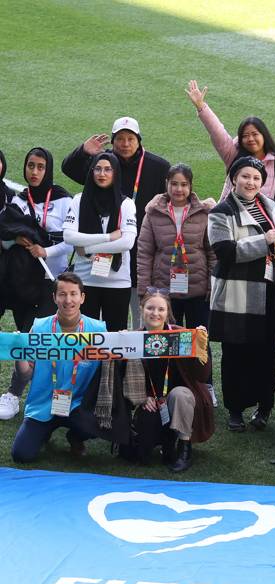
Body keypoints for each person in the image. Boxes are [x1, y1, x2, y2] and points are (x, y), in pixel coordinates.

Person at [208, 156, 275, 431]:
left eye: (256, 178)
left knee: (267, 354)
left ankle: (264, 408)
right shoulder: (221, 212)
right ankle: (235, 410)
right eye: (245, 176)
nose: (251, 182)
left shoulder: (274, 209)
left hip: (269, 294)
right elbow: (225, 252)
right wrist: (263, 241)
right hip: (237, 295)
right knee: (235, 355)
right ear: (234, 179)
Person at [61, 116, 170, 327]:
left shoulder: (158, 166)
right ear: (112, 141)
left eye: (131, 138)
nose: (125, 144)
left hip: (142, 247)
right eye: (120, 138)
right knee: (95, 324)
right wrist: (83, 151)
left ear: (139, 141)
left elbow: (175, 194)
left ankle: (139, 358)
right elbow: (68, 168)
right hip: (97, 257)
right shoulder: (102, 163)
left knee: (142, 312)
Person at [0, 148, 73, 421]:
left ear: (49, 169)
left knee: (55, 341)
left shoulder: (64, 199)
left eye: (41, 167)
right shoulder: (18, 201)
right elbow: (4, 236)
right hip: (26, 282)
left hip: (58, 282)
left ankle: (58, 395)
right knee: (26, 338)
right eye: (31, 165)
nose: (34, 172)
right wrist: (15, 240)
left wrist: (46, 252)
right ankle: (13, 394)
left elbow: (72, 239)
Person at [136, 163, 216, 402]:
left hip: (197, 289)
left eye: (183, 184)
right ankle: (165, 386)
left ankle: (206, 386)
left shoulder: (203, 212)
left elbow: (211, 252)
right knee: (165, 341)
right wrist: (144, 290)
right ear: (166, 185)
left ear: (190, 187)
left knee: (200, 340)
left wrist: (212, 286)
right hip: (164, 292)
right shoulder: (153, 212)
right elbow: (144, 253)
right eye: (174, 184)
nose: (178, 189)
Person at [11, 272, 105, 463]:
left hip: (79, 404)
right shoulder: (38, 328)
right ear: (54, 298)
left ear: (82, 297)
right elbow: (25, 373)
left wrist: (122, 340)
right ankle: (43, 431)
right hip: (44, 403)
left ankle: (76, 437)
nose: (68, 300)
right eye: (62, 294)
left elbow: (110, 370)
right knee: (21, 454)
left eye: (73, 294)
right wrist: (19, 353)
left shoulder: (98, 329)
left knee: (99, 425)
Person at [125, 289, 214, 472]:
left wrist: (201, 347)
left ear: (168, 313)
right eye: (150, 308)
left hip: (177, 398)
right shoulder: (133, 338)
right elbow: (122, 378)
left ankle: (184, 447)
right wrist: (142, 397)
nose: (155, 313)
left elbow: (202, 376)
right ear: (141, 309)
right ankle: (163, 441)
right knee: (143, 455)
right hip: (150, 401)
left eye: (161, 309)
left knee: (180, 394)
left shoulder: (182, 336)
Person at [62, 153, 137, 330]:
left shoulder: (126, 204)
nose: (102, 174)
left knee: (116, 339)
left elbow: (127, 242)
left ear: (116, 173)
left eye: (107, 169)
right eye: (98, 169)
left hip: (118, 282)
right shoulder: (79, 200)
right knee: (86, 339)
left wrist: (87, 247)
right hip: (85, 281)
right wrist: (108, 237)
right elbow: (69, 236)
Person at [185, 80, 275, 201]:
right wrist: (201, 106)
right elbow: (217, 132)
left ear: (264, 136)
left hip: (262, 219)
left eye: (254, 134)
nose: (250, 139)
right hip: (230, 217)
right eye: (245, 135)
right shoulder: (233, 155)